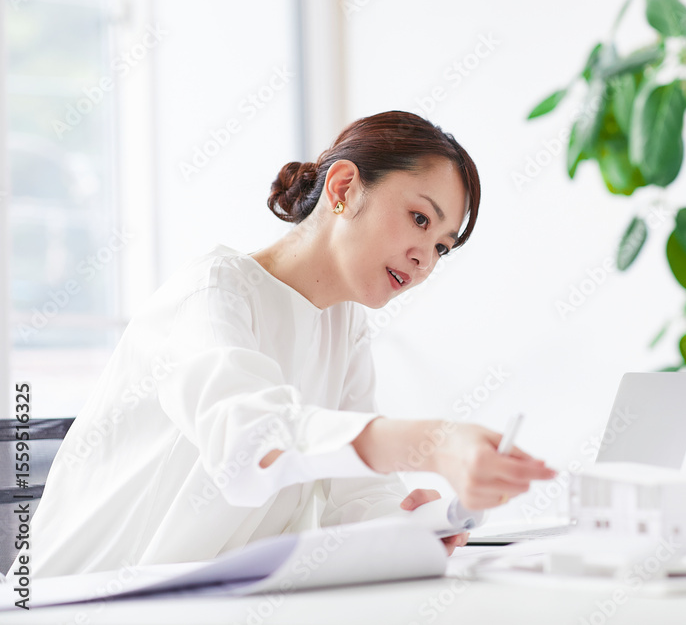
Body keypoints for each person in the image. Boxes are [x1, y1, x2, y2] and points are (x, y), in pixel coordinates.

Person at [22, 111, 556, 578]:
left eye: (442, 247)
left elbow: (354, 491)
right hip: (90, 599)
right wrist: (435, 442)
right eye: (420, 219)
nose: (425, 260)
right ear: (343, 188)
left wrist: (412, 523)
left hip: (211, 599)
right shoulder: (212, 292)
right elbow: (250, 443)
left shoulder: (343, 324)